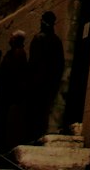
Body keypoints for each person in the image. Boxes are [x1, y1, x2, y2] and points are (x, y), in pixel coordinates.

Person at [28, 11, 65, 140]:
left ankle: (33, 135)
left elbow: (33, 62)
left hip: (38, 81)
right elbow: (60, 64)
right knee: (43, 109)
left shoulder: (39, 38)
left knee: (35, 110)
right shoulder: (56, 41)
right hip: (49, 82)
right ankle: (38, 134)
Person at [0, 30, 28, 149]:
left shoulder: (18, 54)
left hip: (8, 93)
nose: (9, 39)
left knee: (4, 119)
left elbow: (14, 74)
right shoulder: (14, 53)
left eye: (11, 37)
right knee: (1, 118)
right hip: (6, 92)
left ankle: (1, 143)